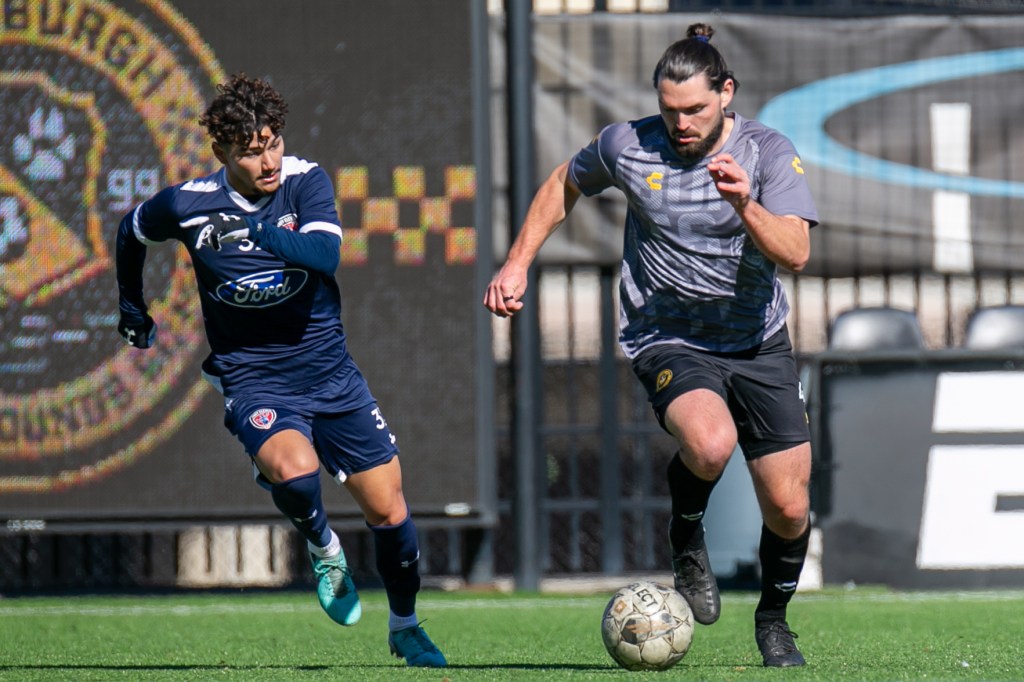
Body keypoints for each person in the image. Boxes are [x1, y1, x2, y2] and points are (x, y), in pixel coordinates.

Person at [484, 24, 816, 668]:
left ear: (726, 93)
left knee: (788, 505)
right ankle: (686, 536)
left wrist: (746, 203)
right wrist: (518, 261)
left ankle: (773, 621)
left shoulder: (768, 152)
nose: (682, 123)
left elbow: (796, 252)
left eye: (695, 109)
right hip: (666, 335)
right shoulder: (628, 145)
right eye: (670, 110)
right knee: (710, 443)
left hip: (756, 340)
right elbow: (563, 182)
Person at [115, 73, 447, 668]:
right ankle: (324, 551)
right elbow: (131, 231)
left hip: (330, 375)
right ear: (221, 152)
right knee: (295, 473)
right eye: (249, 149)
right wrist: (131, 306)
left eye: (272, 142)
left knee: (389, 510)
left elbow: (324, 255)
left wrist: (258, 231)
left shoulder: (304, 181)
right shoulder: (188, 204)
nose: (266, 159)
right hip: (254, 376)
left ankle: (405, 625)